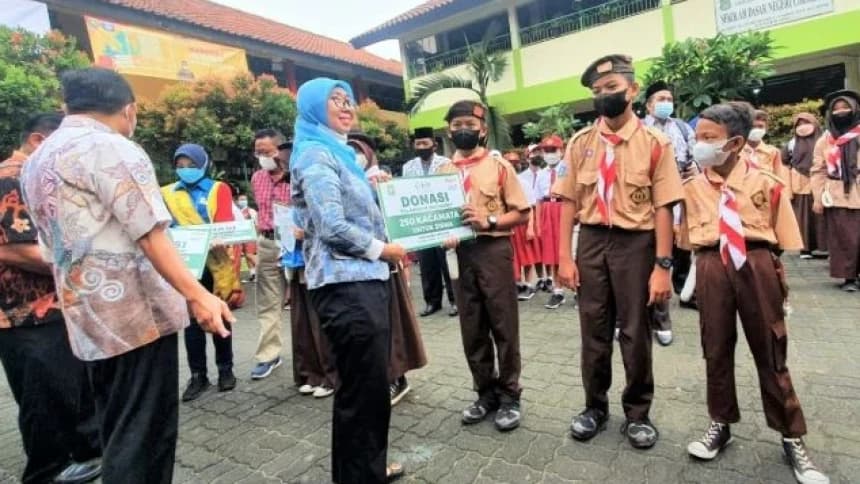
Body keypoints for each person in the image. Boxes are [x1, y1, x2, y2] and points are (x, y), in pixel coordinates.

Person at [20, 67, 234, 484]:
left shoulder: (37, 159)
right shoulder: (113, 148)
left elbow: (49, 245)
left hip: (86, 317)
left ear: (67, 106)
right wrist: (198, 295)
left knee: (118, 426)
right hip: (135, 319)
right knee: (144, 438)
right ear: (129, 109)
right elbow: (150, 234)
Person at [680, 102, 830, 484]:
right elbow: (687, 241)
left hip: (756, 260)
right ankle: (721, 422)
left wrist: (774, 278)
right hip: (712, 263)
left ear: (735, 143)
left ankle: (791, 434)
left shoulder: (767, 182)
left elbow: (783, 242)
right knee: (715, 347)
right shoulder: (692, 188)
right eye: (698, 138)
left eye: (709, 139)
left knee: (770, 348)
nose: (700, 145)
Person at [556, 55, 683, 449]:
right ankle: (594, 407)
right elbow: (566, 202)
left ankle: (638, 413)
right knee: (592, 329)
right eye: (597, 91)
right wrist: (563, 256)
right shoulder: (580, 144)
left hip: (636, 244)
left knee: (634, 330)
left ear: (632, 90)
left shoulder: (655, 144)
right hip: (592, 240)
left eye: (611, 88)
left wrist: (663, 265)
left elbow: (664, 207)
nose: (604, 96)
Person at [290, 77, 406, 483]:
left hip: (361, 282)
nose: (345, 107)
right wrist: (382, 249)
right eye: (334, 100)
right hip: (345, 286)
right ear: (312, 108)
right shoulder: (316, 154)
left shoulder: (338, 154)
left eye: (348, 100)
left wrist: (376, 190)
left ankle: (366, 469)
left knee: (370, 388)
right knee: (362, 392)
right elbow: (332, 226)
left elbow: (350, 209)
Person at [0, 113, 102, 484]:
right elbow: (14, 250)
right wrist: (82, 265)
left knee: (66, 386)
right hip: (26, 311)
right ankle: (46, 471)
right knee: (41, 397)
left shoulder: (33, 176)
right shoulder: (14, 176)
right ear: (40, 142)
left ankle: (83, 453)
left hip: (50, 306)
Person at [438, 100, 530, 432]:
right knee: (472, 328)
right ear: (448, 130)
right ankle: (485, 393)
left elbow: (522, 213)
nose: (463, 129)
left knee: (504, 326)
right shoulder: (442, 172)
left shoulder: (499, 166)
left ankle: (509, 396)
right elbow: (431, 222)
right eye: (457, 124)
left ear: (482, 129)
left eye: (469, 124)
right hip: (459, 256)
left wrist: (488, 220)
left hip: (493, 250)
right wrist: (440, 235)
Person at [350, 133, 428, 406]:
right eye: (348, 150)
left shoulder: (381, 180)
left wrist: (385, 189)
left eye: (358, 150)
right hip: (356, 266)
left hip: (384, 262)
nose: (354, 156)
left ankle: (397, 377)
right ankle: (375, 379)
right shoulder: (342, 182)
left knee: (391, 323)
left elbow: (398, 218)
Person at [160, 143, 242, 401]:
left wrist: (219, 236)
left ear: (204, 165)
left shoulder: (219, 189)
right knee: (192, 322)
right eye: (180, 166)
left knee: (221, 317)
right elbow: (164, 228)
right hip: (186, 265)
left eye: (192, 165)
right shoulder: (166, 193)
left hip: (216, 263)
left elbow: (225, 222)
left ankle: (226, 370)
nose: (186, 170)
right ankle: (198, 375)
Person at [641, 80, 699, 344]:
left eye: (668, 98)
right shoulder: (639, 130)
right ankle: (655, 316)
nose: (666, 102)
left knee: (678, 254)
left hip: (680, 196)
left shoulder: (683, 127)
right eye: (660, 98)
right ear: (649, 104)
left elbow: (697, 156)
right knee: (650, 258)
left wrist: (695, 167)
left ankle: (678, 298)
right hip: (646, 202)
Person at [402, 127, 457, 317]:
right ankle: (432, 302)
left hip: (442, 221)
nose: (422, 147)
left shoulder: (447, 163)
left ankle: (455, 300)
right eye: (418, 144)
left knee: (447, 262)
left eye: (425, 143)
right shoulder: (408, 167)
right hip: (421, 223)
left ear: (434, 144)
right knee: (427, 265)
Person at [250, 129, 291, 379]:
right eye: (258, 152)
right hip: (267, 244)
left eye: (266, 152)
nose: (262, 157)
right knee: (268, 302)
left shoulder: (297, 176)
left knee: (309, 302)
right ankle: (269, 355)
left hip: (295, 246)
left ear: (279, 150)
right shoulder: (257, 178)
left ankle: (318, 355)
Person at [811, 89, 860, 292]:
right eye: (836, 109)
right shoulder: (825, 140)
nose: (841, 112)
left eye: (845, 107)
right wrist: (817, 197)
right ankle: (848, 277)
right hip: (837, 195)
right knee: (844, 238)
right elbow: (817, 170)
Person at [281, 218, 336, 399]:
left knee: (320, 321)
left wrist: (308, 233)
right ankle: (311, 373)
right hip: (296, 260)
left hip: (322, 261)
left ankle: (331, 376)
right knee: (302, 321)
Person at [782, 112, 827, 260]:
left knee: (823, 215)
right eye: (799, 124)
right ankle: (805, 249)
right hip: (799, 183)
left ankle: (825, 247)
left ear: (814, 123)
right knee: (803, 217)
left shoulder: (824, 140)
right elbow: (785, 163)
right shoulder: (791, 144)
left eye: (806, 122)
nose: (802, 127)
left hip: (822, 183)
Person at [536, 134, 567, 309]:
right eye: (546, 151)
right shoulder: (541, 174)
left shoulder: (568, 169)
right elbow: (538, 200)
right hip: (548, 211)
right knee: (553, 252)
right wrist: (538, 224)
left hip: (564, 208)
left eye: (553, 150)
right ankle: (558, 291)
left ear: (561, 151)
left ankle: (578, 290)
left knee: (568, 249)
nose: (550, 154)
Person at [508, 150, 541, 298]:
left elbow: (531, 207)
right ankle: (518, 283)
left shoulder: (524, 183)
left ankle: (528, 284)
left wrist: (530, 227)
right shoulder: (502, 184)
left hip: (522, 223)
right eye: (509, 164)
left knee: (526, 256)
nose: (512, 167)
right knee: (513, 256)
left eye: (514, 164)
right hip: (509, 224)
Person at [744, 110, 786, 177]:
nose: (756, 129)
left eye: (760, 126)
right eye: (752, 127)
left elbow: (779, 179)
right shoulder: (736, 151)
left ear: (766, 128)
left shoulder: (774, 152)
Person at [235, 193, 259, 282]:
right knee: (246, 256)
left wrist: (256, 236)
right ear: (237, 201)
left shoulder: (251, 211)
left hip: (250, 236)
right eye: (241, 199)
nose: (243, 201)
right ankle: (253, 274)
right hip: (240, 237)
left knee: (250, 255)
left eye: (244, 199)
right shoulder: (237, 211)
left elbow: (257, 224)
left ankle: (261, 272)